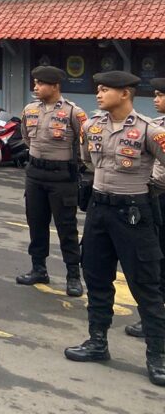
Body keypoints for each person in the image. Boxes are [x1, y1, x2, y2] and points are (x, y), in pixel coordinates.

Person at [64, 70, 165, 386]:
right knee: (95, 276)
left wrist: (149, 187)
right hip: (98, 210)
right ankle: (97, 342)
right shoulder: (91, 126)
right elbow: (87, 161)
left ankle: (157, 357)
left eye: (105, 89)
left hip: (133, 212)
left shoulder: (149, 130)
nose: (98, 93)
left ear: (126, 93)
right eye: (97, 88)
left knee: (145, 285)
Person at [15, 65, 87, 297]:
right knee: (36, 223)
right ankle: (38, 268)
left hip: (61, 176)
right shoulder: (30, 109)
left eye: (40, 83)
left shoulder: (73, 112)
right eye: (34, 83)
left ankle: (73, 275)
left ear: (55, 86)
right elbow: (26, 137)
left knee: (66, 227)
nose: (35, 87)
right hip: (35, 173)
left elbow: (83, 143)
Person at [126, 77, 165, 341]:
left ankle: (155, 319)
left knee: (155, 259)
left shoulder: (154, 129)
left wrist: (150, 187)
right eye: (155, 94)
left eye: (161, 95)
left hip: (159, 196)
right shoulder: (156, 125)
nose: (155, 99)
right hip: (157, 196)